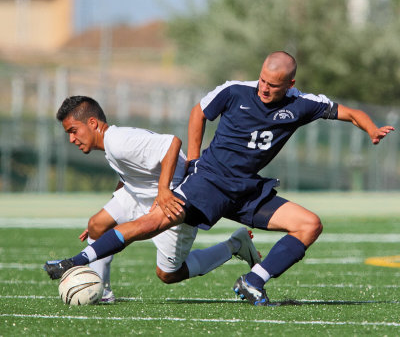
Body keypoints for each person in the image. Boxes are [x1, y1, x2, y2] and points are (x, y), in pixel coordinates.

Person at [45, 52, 394, 306]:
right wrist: (194, 162)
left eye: (273, 86)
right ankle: (78, 260)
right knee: (152, 223)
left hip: (247, 190)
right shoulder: (235, 91)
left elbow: (347, 111)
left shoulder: (302, 104)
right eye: (262, 81)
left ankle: (254, 281)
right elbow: (199, 113)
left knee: (310, 225)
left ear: (291, 84)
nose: (264, 90)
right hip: (208, 182)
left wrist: (371, 128)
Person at [45, 95, 261, 302]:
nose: (72, 139)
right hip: (140, 193)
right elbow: (132, 174)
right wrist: (112, 206)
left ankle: (234, 245)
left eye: (73, 131)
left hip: (173, 202)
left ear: (92, 123)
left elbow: (172, 144)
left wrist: (164, 190)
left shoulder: (118, 142)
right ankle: (101, 291)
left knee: (168, 275)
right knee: (97, 224)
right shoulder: (112, 144)